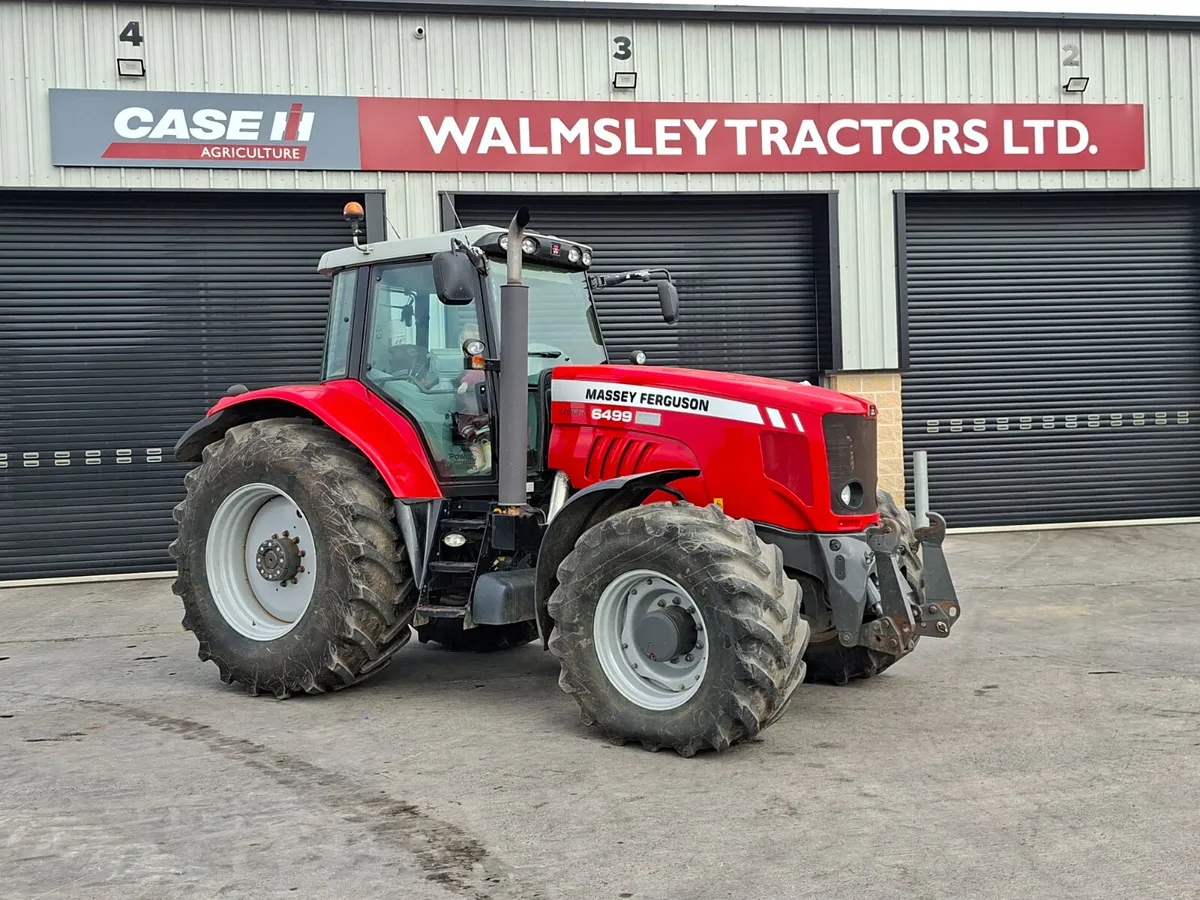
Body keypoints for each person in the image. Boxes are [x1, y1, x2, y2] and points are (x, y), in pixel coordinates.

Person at [454, 323, 491, 474]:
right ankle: (479, 461)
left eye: (468, 338)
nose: (465, 341)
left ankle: (488, 459)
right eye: (463, 338)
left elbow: (478, 371)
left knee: (483, 431)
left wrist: (465, 383)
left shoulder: (478, 358)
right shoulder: (464, 358)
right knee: (469, 432)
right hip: (467, 404)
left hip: (478, 402)